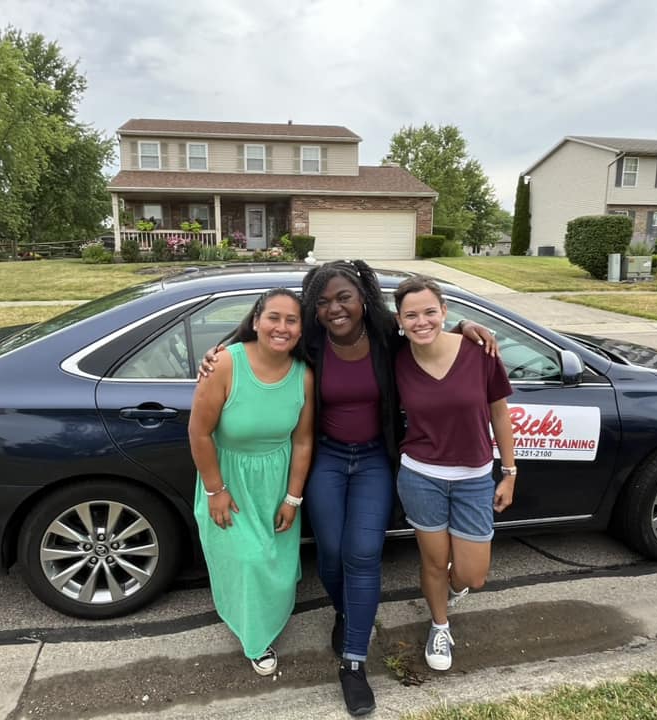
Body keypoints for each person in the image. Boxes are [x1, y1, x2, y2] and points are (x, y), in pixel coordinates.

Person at [200, 260, 497, 715]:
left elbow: (425, 329)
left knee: (363, 553)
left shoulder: (386, 337)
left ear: (363, 299)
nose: (334, 308)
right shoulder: (312, 343)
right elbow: (266, 337)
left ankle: (354, 663)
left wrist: (464, 326)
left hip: (374, 460)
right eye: (322, 303)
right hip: (328, 459)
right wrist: (220, 349)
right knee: (333, 552)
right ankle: (345, 610)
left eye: (344, 298)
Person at [392, 275, 516, 673]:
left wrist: (509, 472)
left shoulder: (480, 351)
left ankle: (452, 586)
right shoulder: (396, 358)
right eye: (411, 315)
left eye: (430, 312)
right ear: (399, 321)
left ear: (445, 311)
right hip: (420, 476)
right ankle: (439, 625)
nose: (422, 322)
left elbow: (500, 414)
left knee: (471, 575)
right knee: (433, 562)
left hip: (473, 479)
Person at [188, 288, 315, 676]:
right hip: (230, 481)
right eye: (273, 317)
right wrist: (215, 490)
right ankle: (256, 639)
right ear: (257, 320)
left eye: (291, 320)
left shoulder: (304, 375)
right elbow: (199, 432)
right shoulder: (226, 364)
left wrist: (293, 498)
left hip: (276, 484)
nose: (281, 327)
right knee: (250, 561)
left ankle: (269, 614)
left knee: (275, 563)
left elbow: (303, 440)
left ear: (301, 329)